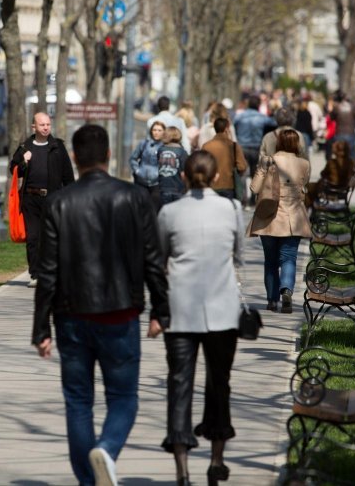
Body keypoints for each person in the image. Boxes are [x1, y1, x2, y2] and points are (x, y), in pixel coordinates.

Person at [32, 124, 170, 486]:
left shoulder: (58, 202)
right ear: (110, 155)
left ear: (74, 158)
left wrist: (40, 328)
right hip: (120, 313)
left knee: (79, 403)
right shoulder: (135, 198)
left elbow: (47, 270)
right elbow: (154, 260)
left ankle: (89, 480)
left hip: (71, 315)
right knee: (124, 398)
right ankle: (106, 450)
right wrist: (161, 310)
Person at [156, 150, 245, 486]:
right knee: (219, 383)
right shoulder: (231, 208)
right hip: (222, 311)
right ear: (216, 177)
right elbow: (237, 254)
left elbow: (161, 255)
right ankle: (217, 459)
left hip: (180, 311)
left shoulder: (169, 212)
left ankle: (181, 468)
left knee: (179, 385)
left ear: (183, 176)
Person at [247, 129, 312, 313]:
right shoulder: (304, 164)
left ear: (278, 143)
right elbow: (303, 186)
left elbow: (254, 188)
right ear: (296, 144)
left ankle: (271, 300)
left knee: (270, 261)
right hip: (294, 218)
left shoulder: (268, 161)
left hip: (269, 217)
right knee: (289, 258)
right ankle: (286, 290)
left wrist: (262, 168)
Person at [9, 112, 75, 288]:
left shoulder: (57, 146)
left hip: (53, 198)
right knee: (33, 238)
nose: (46, 127)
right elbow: (13, 169)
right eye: (42, 125)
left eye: (48, 124)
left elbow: (68, 175)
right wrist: (23, 161)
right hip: (30, 199)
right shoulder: (25, 147)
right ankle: (36, 274)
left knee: (52, 237)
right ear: (34, 127)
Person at [233, 95, 276, 204]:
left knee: (243, 172)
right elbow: (274, 123)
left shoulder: (240, 116)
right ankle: (254, 197)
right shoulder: (262, 117)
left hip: (242, 147)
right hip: (257, 147)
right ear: (258, 105)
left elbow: (233, 124)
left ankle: (243, 198)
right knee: (256, 173)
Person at [201, 118, 247, 200]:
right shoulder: (233, 146)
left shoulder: (206, 146)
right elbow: (242, 167)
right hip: (228, 186)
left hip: (211, 186)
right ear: (226, 129)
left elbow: (201, 167)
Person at [304, 140, 355, 208]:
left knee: (308, 187)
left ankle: (310, 210)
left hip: (330, 189)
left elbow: (322, 173)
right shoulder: (351, 163)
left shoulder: (332, 163)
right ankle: (313, 208)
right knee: (311, 188)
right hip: (342, 189)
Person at [130, 120, 166, 210]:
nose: (156, 132)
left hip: (157, 184)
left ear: (164, 132)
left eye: (159, 130)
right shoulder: (144, 143)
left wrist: (160, 174)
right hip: (141, 182)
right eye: (154, 130)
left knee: (154, 209)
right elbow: (133, 159)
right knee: (140, 208)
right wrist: (137, 171)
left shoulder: (165, 147)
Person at [157, 126, 189, 205]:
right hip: (178, 187)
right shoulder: (182, 152)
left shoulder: (161, 150)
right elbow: (184, 172)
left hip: (163, 186)